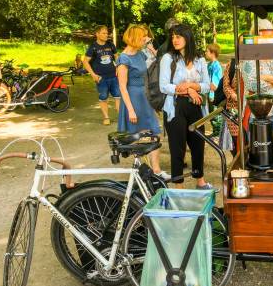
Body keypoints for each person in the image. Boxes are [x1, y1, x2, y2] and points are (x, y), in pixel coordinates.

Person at [159, 23, 212, 189]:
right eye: (173, 37)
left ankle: (200, 181)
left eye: (178, 36)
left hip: (196, 107)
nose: (174, 40)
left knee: (198, 144)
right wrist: (189, 90)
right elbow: (164, 86)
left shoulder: (200, 59)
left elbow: (206, 85)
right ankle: (178, 186)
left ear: (187, 38)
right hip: (175, 107)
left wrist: (189, 86)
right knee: (177, 148)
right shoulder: (168, 58)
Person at [116, 25, 169, 180]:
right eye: (142, 37)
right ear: (134, 38)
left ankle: (157, 171)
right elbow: (122, 87)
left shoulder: (140, 54)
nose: (145, 39)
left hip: (144, 96)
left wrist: (152, 49)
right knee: (137, 136)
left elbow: (152, 68)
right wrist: (131, 110)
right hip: (132, 98)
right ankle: (141, 171)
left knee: (154, 132)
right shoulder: (124, 58)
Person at [240, 19, 273, 132]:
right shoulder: (249, 58)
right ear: (258, 35)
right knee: (258, 148)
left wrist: (266, 77)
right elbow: (253, 85)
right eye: (268, 36)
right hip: (257, 114)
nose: (271, 40)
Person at [83, 25, 120, 125]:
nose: (106, 35)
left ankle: (121, 117)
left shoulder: (111, 45)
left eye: (107, 33)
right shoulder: (93, 47)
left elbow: (117, 57)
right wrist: (93, 75)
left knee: (118, 96)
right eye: (103, 33)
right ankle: (106, 117)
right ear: (97, 34)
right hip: (101, 78)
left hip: (114, 76)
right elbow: (85, 62)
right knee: (103, 97)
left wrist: (118, 68)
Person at [205, 43, 223, 134]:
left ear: (212, 53)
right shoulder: (209, 64)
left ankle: (217, 131)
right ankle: (215, 130)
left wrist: (212, 94)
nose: (205, 53)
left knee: (215, 113)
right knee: (211, 111)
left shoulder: (216, 66)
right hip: (209, 92)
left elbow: (214, 83)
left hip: (214, 93)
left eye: (207, 51)